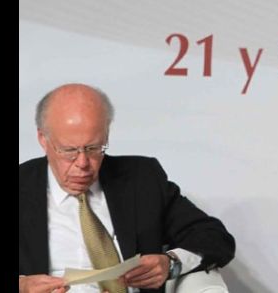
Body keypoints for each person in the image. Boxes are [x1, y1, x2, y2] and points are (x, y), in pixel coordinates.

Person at [19, 83, 235, 293]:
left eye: (94, 148)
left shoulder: (141, 179)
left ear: (106, 136)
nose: (83, 163)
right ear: (43, 139)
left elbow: (215, 238)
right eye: (69, 151)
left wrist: (171, 263)